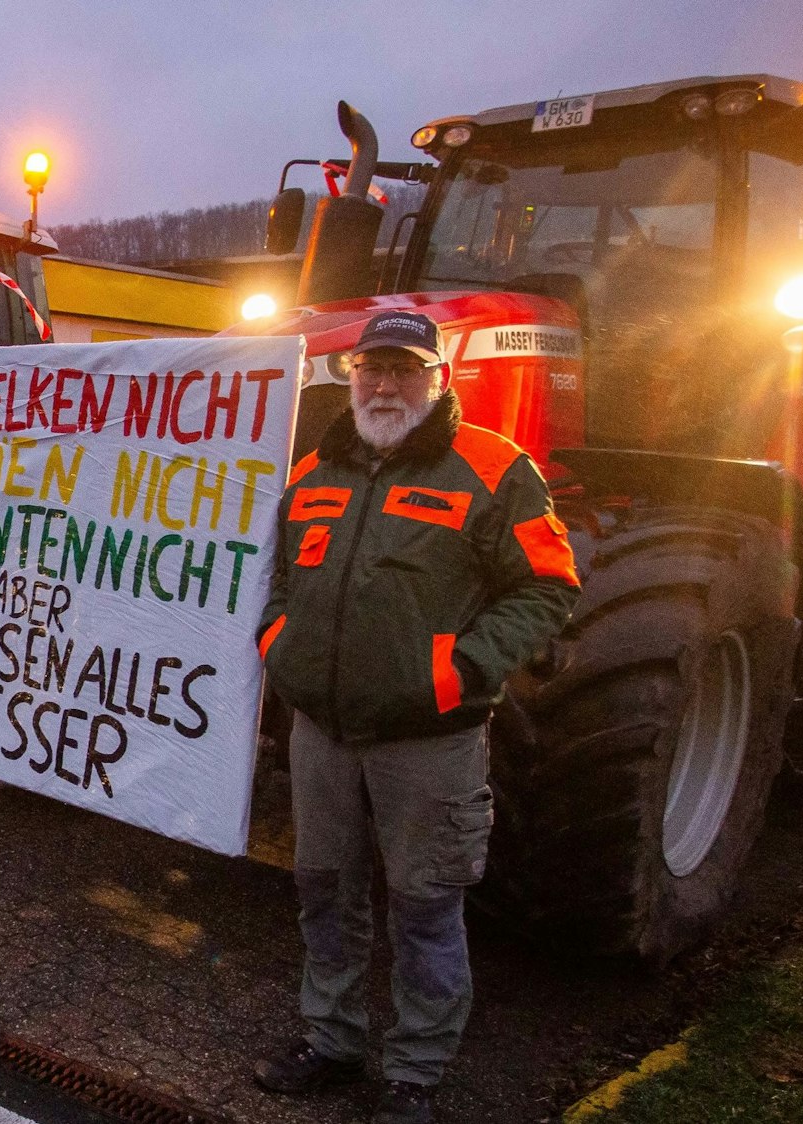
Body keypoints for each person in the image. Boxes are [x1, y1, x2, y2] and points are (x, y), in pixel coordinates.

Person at [253, 311, 580, 1124]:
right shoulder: (311, 472)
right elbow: (280, 574)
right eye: (372, 368)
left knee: (425, 905)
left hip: (428, 742)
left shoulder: (495, 470)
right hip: (322, 732)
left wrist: (459, 669)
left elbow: (549, 584)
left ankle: (414, 1075)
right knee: (324, 892)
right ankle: (331, 1041)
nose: (385, 384)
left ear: (439, 380)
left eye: (405, 369)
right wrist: (278, 639)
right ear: (351, 375)